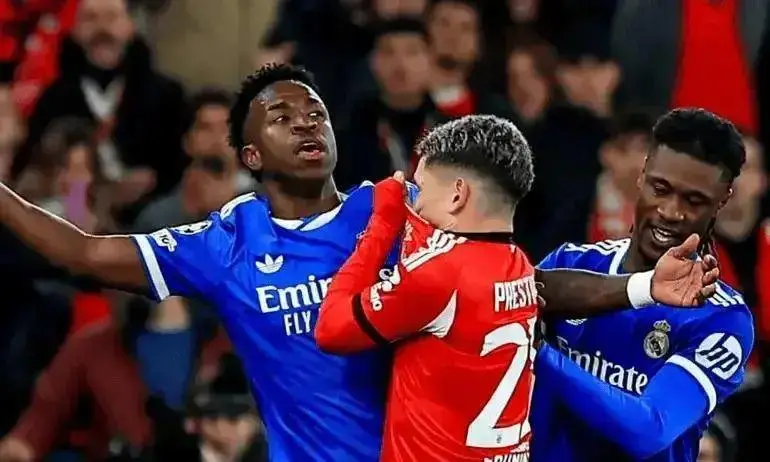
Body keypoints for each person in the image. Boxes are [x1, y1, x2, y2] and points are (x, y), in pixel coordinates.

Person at [0, 64, 715, 461]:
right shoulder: (225, 243)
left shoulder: (400, 210)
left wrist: (641, 286)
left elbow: (519, 286)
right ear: (250, 154)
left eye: (315, 112)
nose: (306, 123)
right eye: (282, 118)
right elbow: (83, 251)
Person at [315, 115, 717, 461]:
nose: (414, 204)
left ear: (457, 194)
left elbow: (331, 329)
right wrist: (647, 286)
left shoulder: (439, 275)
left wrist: (382, 224)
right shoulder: (518, 268)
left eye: (422, 188)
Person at [533, 108, 754, 461]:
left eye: (694, 200)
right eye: (660, 189)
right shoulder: (571, 263)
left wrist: (539, 353)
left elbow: (649, 428)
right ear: (643, 173)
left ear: (723, 200)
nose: (671, 211)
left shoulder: (721, 319)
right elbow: (509, 297)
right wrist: (643, 288)